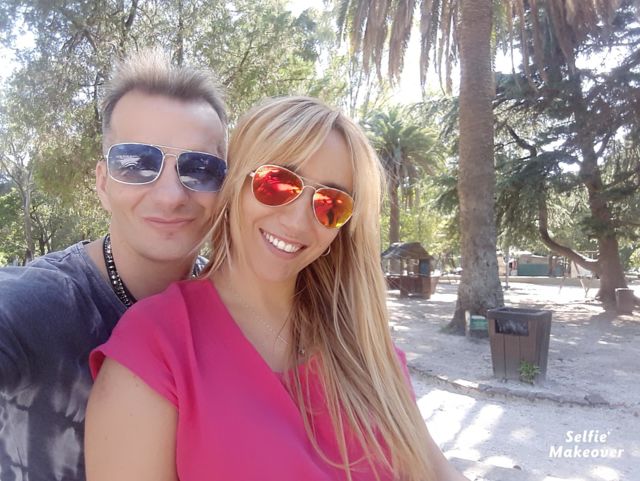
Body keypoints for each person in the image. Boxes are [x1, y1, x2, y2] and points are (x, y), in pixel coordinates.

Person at [86, 96, 467, 481]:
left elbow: (436, 471)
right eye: (277, 183)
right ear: (235, 183)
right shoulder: (157, 346)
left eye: (330, 204)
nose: (298, 221)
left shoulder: (364, 346)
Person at [0, 48, 227, 481]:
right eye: (137, 163)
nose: (171, 196)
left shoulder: (232, 306)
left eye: (200, 168)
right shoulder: (41, 305)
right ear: (103, 183)